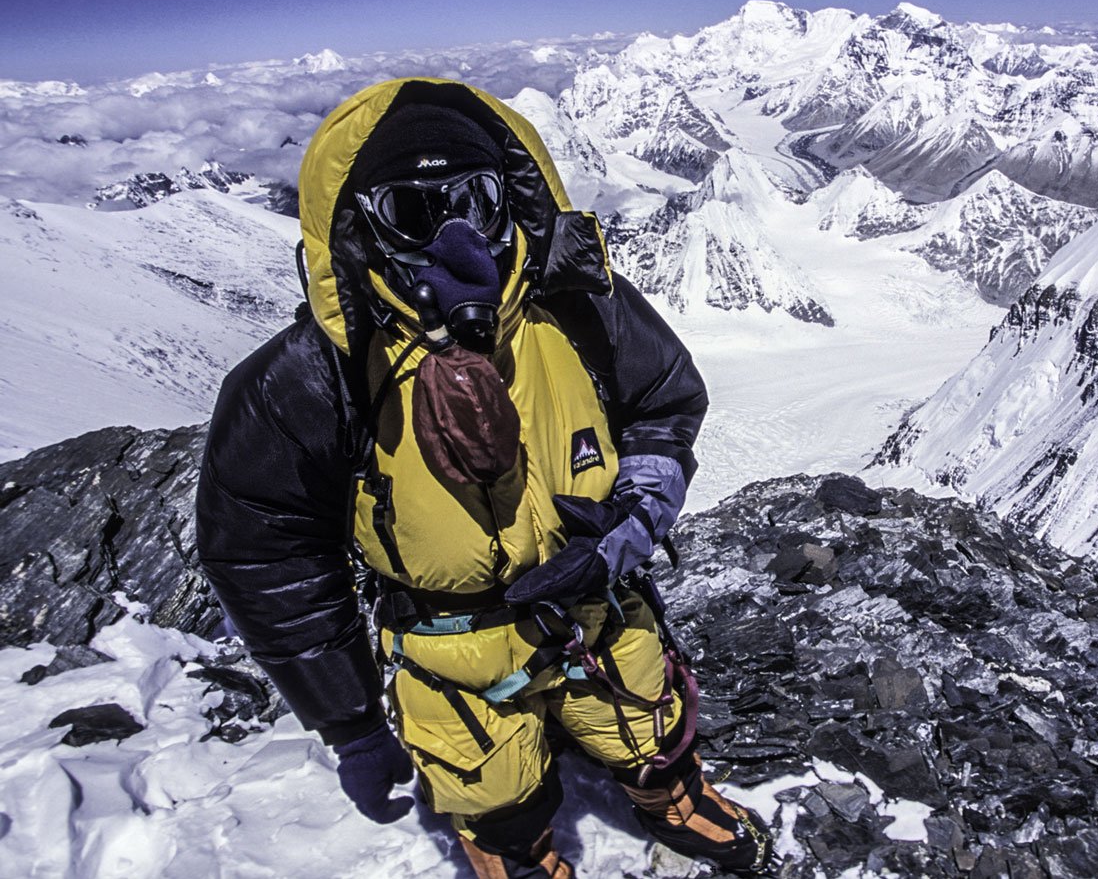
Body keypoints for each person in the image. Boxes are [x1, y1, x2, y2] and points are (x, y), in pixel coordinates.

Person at [196, 77, 772, 877]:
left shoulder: (581, 309)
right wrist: (352, 721)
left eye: (476, 199)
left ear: (514, 200)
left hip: (597, 604)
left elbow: (663, 404)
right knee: (493, 788)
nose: (455, 239)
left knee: (649, 726)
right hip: (451, 646)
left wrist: (631, 523)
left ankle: (670, 796)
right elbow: (269, 554)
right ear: (363, 230)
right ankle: (514, 851)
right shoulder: (311, 379)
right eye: (412, 211)